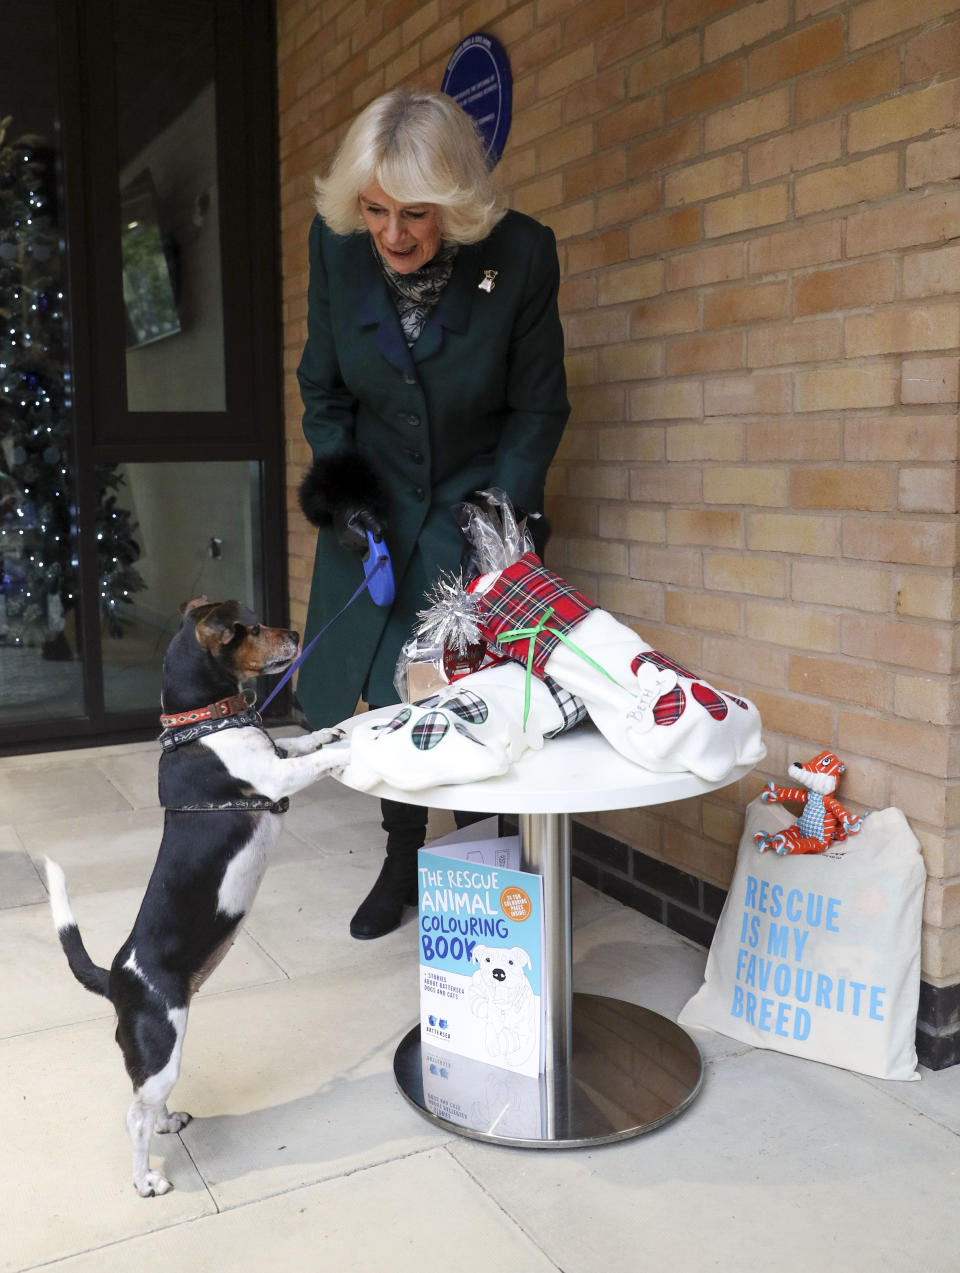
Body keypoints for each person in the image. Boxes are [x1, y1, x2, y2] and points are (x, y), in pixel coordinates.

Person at [296, 88, 569, 940]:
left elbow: (538, 406)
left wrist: (501, 512)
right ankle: (399, 853)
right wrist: (346, 496)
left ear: (453, 203)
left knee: (468, 690)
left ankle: (482, 870)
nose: (392, 234)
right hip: (374, 500)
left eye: (415, 214)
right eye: (375, 210)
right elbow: (324, 386)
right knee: (383, 695)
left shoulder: (522, 255)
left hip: (471, 498)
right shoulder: (336, 248)